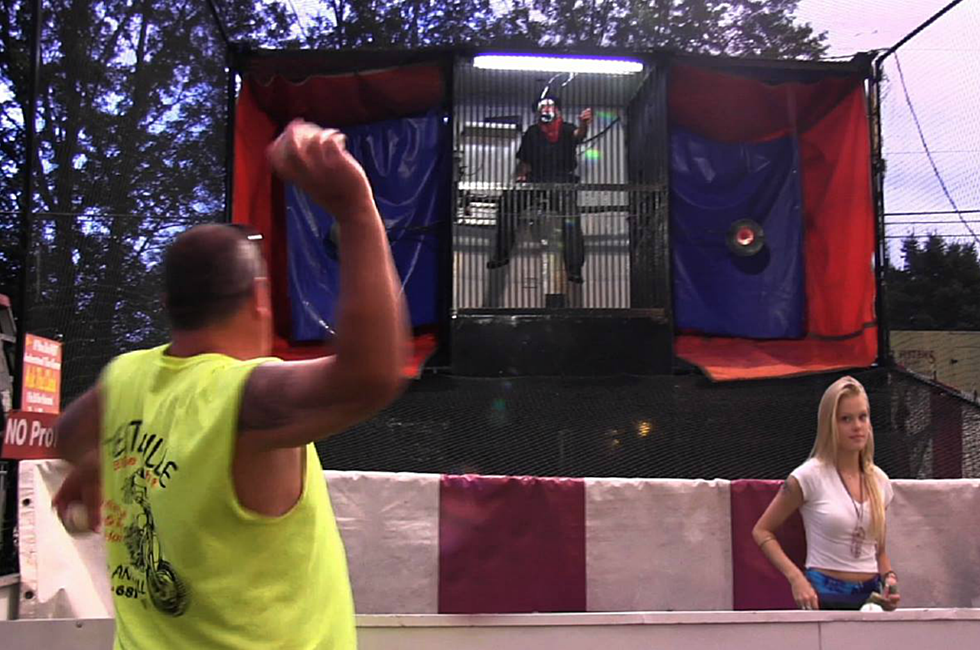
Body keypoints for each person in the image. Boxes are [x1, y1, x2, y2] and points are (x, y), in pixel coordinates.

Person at [51, 119, 410, 649]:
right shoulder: (242, 399)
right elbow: (369, 376)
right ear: (259, 299)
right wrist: (354, 206)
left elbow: (64, 434)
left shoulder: (125, 377)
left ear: (170, 307)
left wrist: (92, 463)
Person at [752, 376, 902, 611]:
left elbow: (879, 549)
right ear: (830, 424)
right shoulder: (809, 476)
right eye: (846, 419)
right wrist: (796, 578)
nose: (857, 426)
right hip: (823, 595)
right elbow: (762, 531)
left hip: (871, 600)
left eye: (863, 417)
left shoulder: (880, 481)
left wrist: (889, 579)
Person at [487, 97, 592, 284]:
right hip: (535, 180)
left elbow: (579, 135)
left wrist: (583, 123)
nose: (546, 109)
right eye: (542, 107)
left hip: (561, 180)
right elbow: (525, 161)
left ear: (557, 110)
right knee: (508, 201)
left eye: (549, 106)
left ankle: (574, 268)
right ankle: (501, 255)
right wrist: (521, 177)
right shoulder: (532, 132)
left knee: (570, 216)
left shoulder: (566, 128)